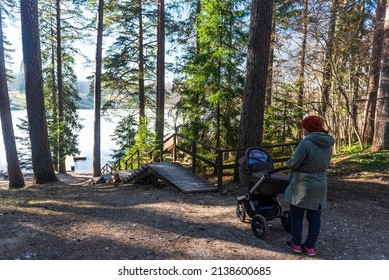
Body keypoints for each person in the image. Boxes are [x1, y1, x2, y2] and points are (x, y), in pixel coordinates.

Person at [284, 115, 335, 256]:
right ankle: (310, 246)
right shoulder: (328, 144)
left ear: (309, 128)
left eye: (304, 127)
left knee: (297, 215)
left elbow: (294, 162)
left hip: (303, 184)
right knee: (314, 216)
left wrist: (288, 164)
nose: (303, 130)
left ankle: (296, 244)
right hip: (320, 182)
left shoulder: (305, 143)